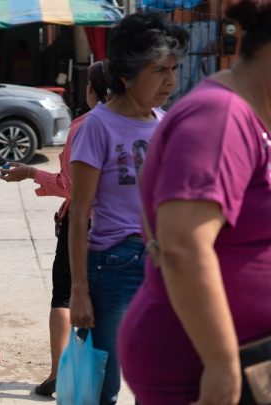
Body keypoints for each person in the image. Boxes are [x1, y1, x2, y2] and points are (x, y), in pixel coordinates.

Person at [118, 1, 271, 404]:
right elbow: (183, 245)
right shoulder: (220, 116)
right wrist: (222, 369)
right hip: (205, 368)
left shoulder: (250, 116)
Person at [68, 12, 189, 404]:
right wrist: (80, 290)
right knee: (104, 384)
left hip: (164, 265)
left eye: (174, 69)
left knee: (160, 379)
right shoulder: (96, 127)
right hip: (113, 269)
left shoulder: (166, 124)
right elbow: (79, 213)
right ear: (125, 75)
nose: (170, 81)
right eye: (158, 71)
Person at [0, 60, 110, 397]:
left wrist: (31, 173)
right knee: (108, 299)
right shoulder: (135, 123)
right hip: (120, 227)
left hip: (83, 221)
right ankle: (104, 376)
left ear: (93, 90)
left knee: (64, 295)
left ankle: (58, 373)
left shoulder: (85, 126)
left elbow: (71, 185)